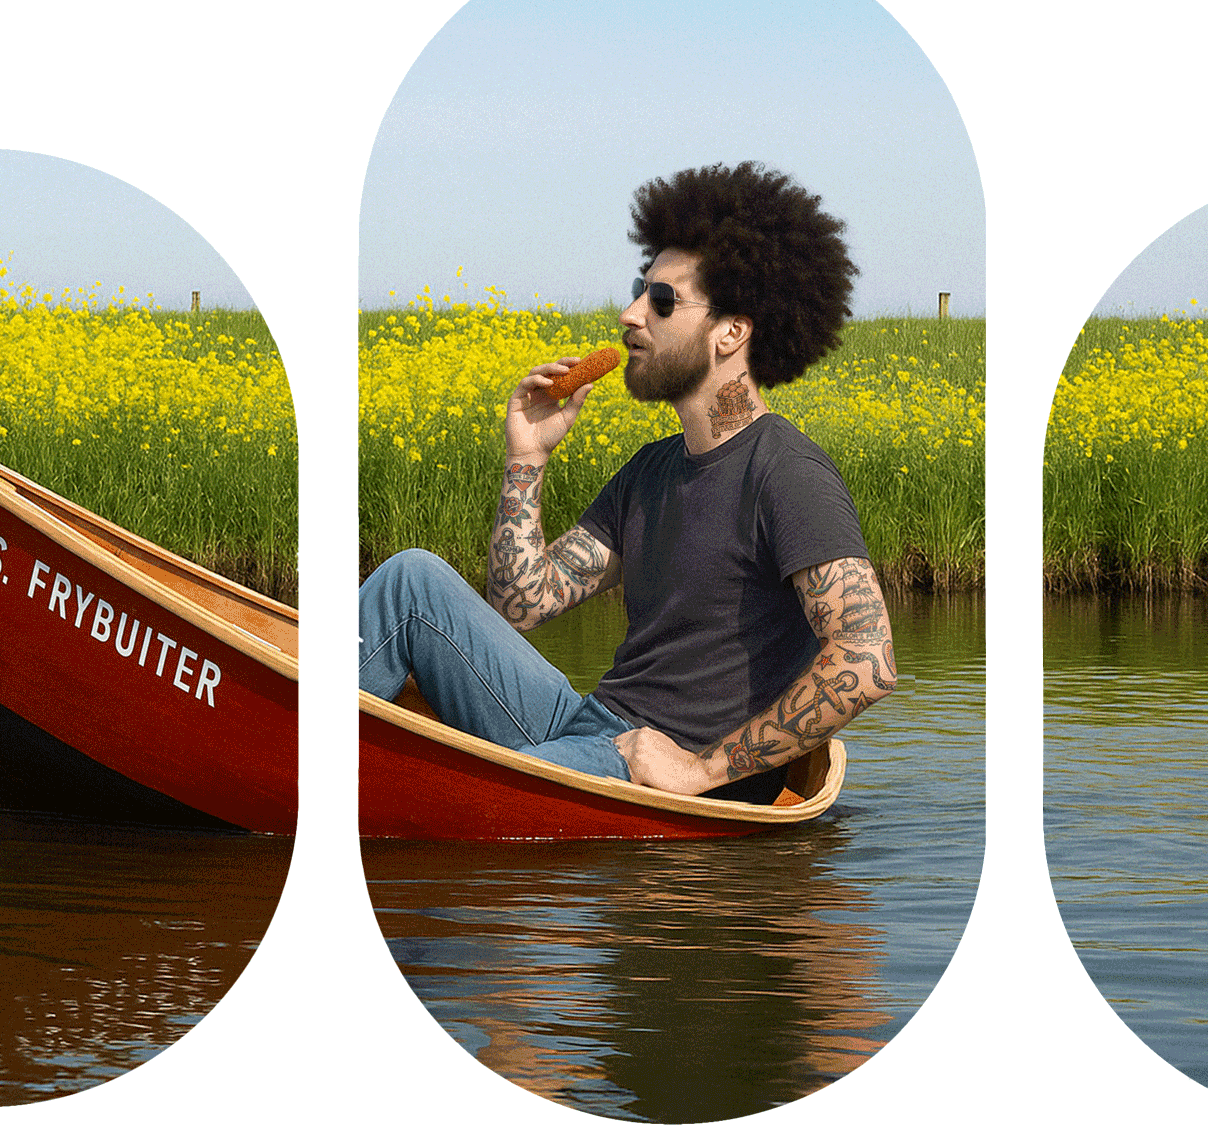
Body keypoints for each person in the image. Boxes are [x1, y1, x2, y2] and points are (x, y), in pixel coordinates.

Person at [359, 161, 896, 799]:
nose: (630, 313)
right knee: (411, 580)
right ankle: (299, 737)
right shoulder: (651, 471)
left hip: (655, 765)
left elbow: (868, 658)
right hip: (591, 725)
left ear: (730, 332)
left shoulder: (788, 475)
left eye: (662, 301)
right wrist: (526, 457)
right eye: (639, 290)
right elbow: (522, 604)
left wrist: (701, 771)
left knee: (458, 787)